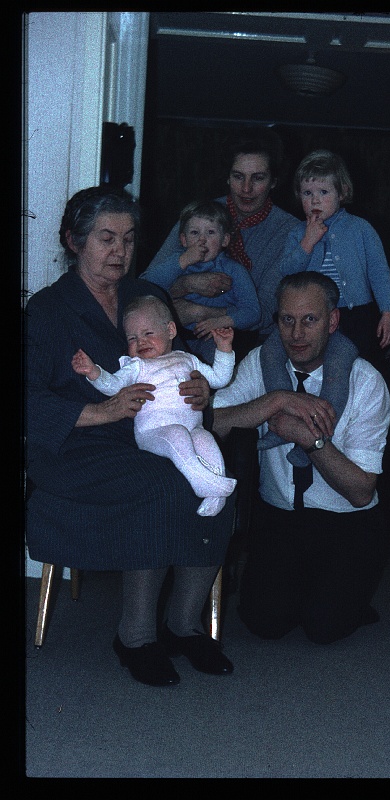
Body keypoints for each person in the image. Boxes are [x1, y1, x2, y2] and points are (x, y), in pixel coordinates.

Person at [25, 186, 235, 688]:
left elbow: (175, 364)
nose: (119, 251)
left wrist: (200, 389)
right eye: (105, 238)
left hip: (149, 432)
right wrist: (102, 410)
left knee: (220, 474)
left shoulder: (148, 297)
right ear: (74, 241)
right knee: (163, 484)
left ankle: (183, 625)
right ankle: (136, 636)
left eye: (128, 238)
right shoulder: (47, 310)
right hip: (75, 446)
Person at [212, 271, 390, 645]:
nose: (296, 334)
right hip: (280, 517)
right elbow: (211, 422)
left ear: (333, 320)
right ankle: (310, 588)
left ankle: (347, 595)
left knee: (324, 629)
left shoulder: (366, 381)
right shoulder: (259, 364)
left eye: (310, 319)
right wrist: (276, 401)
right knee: (264, 622)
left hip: (347, 521)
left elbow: (361, 492)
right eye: (287, 319)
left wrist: (306, 438)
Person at [71, 294, 237, 517]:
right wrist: (93, 372)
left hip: (193, 427)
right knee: (177, 435)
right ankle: (204, 483)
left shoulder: (188, 359)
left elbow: (219, 378)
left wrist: (224, 349)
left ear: (170, 331)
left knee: (205, 440)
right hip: (154, 432)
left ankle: (214, 496)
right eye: (132, 338)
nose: (140, 342)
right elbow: (112, 386)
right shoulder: (136, 366)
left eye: (148, 334)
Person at [141, 128, 299, 353]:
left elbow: (264, 313)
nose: (246, 189)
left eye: (258, 178)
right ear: (227, 176)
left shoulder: (289, 232)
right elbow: (145, 288)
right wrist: (187, 285)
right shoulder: (199, 217)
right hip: (178, 343)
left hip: (252, 347)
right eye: (238, 176)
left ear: (273, 181)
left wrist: (196, 312)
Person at [279, 149, 390, 362]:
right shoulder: (297, 233)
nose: (315, 200)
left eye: (323, 192)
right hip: (312, 317)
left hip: (356, 315)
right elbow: (287, 274)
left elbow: (379, 272)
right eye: (307, 193)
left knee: (354, 366)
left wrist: (388, 312)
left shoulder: (361, 228)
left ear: (341, 193)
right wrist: (308, 241)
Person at [140, 200, 260, 364]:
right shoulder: (177, 263)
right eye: (195, 233)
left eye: (210, 233)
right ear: (183, 239)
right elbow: (148, 285)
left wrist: (221, 321)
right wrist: (183, 260)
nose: (202, 240)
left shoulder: (234, 270)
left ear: (224, 240)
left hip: (215, 336)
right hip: (176, 337)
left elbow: (252, 311)